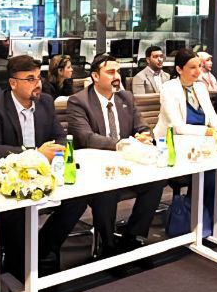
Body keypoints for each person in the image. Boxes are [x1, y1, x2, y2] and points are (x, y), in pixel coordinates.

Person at [0, 55, 90, 277]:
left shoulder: (45, 101)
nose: (37, 83)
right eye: (30, 79)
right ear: (13, 83)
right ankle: (20, 265)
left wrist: (53, 152)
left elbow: (60, 135)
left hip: (42, 173)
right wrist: (35, 154)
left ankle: (43, 249)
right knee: (17, 212)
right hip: (9, 175)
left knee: (78, 198)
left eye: (38, 77)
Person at [65, 55, 163, 254]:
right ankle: (108, 246)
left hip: (127, 164)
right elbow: (86, 137)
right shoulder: (79, 101)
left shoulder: (125, 97)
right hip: (98, 169)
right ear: (95, 76)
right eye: (110, 72)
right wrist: (121, 144)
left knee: (157, 181)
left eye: (118, 71)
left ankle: (133, 236)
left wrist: (144, 135)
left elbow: (142, 126)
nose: (117, 76)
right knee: (106, 191)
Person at [155, 48, 217, 138]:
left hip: (201, 139)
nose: (198, 71)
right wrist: (208, 131)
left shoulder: (201, 87)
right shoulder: (169, 88)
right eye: (193, 67)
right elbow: (178, 127)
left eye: (199, 66)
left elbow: (212, 117)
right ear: (179, 69)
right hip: (172, 140)